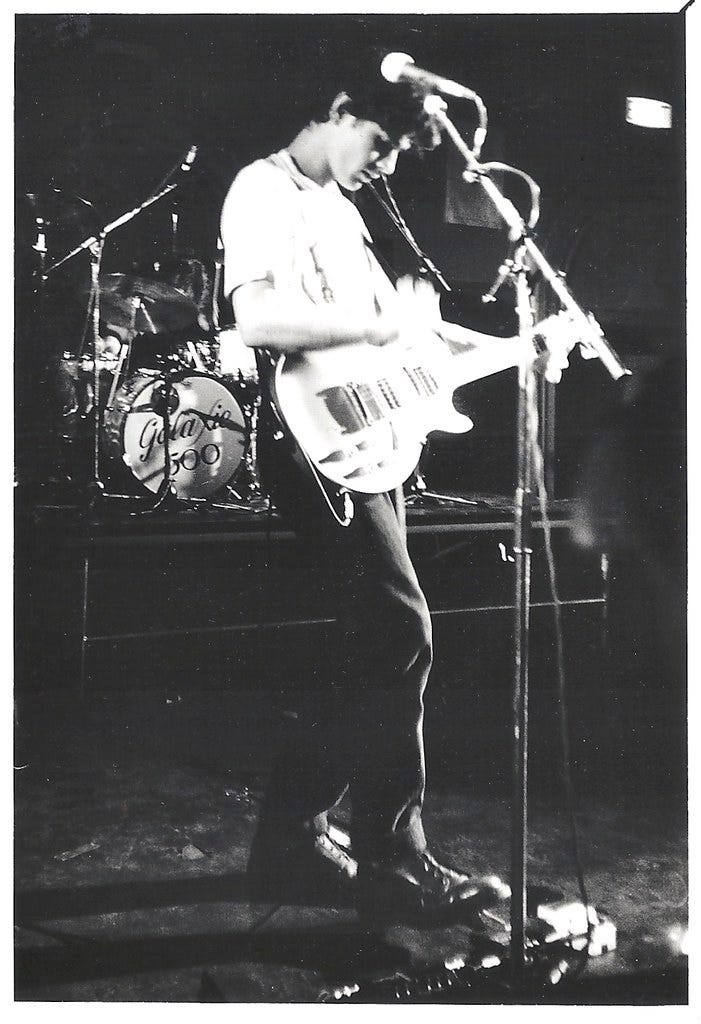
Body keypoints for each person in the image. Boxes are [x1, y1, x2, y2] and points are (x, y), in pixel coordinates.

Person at [219, 69, 520, 928]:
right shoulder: (262, 190)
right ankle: (391, 855)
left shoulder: (344, 209)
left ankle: (292, 843)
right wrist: (373, 328)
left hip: (358, 442)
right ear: (341, 111)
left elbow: (407, 331)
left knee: (376, 644)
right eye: (380, 144)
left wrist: (509, 343)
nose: (383, 166)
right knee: (398, 631)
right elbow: (259, 321)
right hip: (307, 442)